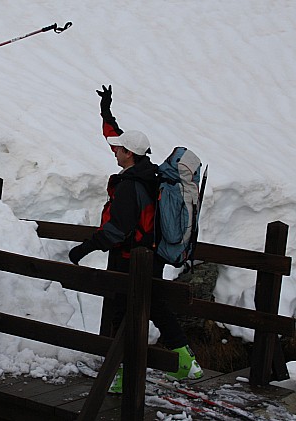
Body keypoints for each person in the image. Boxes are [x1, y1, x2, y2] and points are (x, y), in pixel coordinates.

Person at [68, 85, 202, 393]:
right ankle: (185, 362)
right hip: (149, 255)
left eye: (119, 149)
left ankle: (121, 375)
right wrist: (106, 111)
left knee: (122, 312)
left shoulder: (130, 186)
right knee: (153, 307)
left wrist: (85, 248)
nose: (114, 151)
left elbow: (118, 229)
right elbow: (116, 137)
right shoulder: (147, 173)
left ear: (129, 154)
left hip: (130, 258)